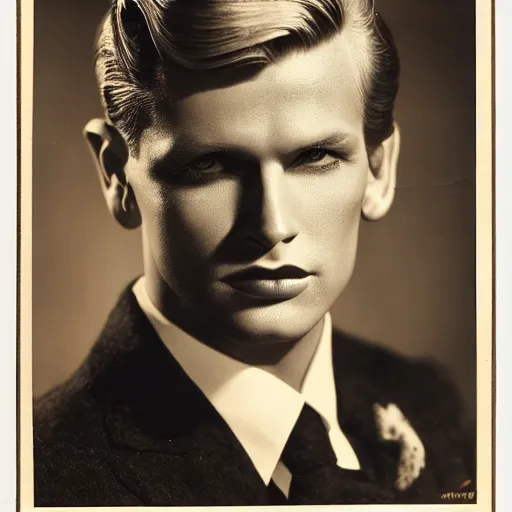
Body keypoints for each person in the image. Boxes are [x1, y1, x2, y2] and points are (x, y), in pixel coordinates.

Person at [33, 0, 475, 506]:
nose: (272, 226)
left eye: (315, 157)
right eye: (211, 165)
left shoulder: (432, 405)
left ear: (378, 170)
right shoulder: (42, 474)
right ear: (117, 175)